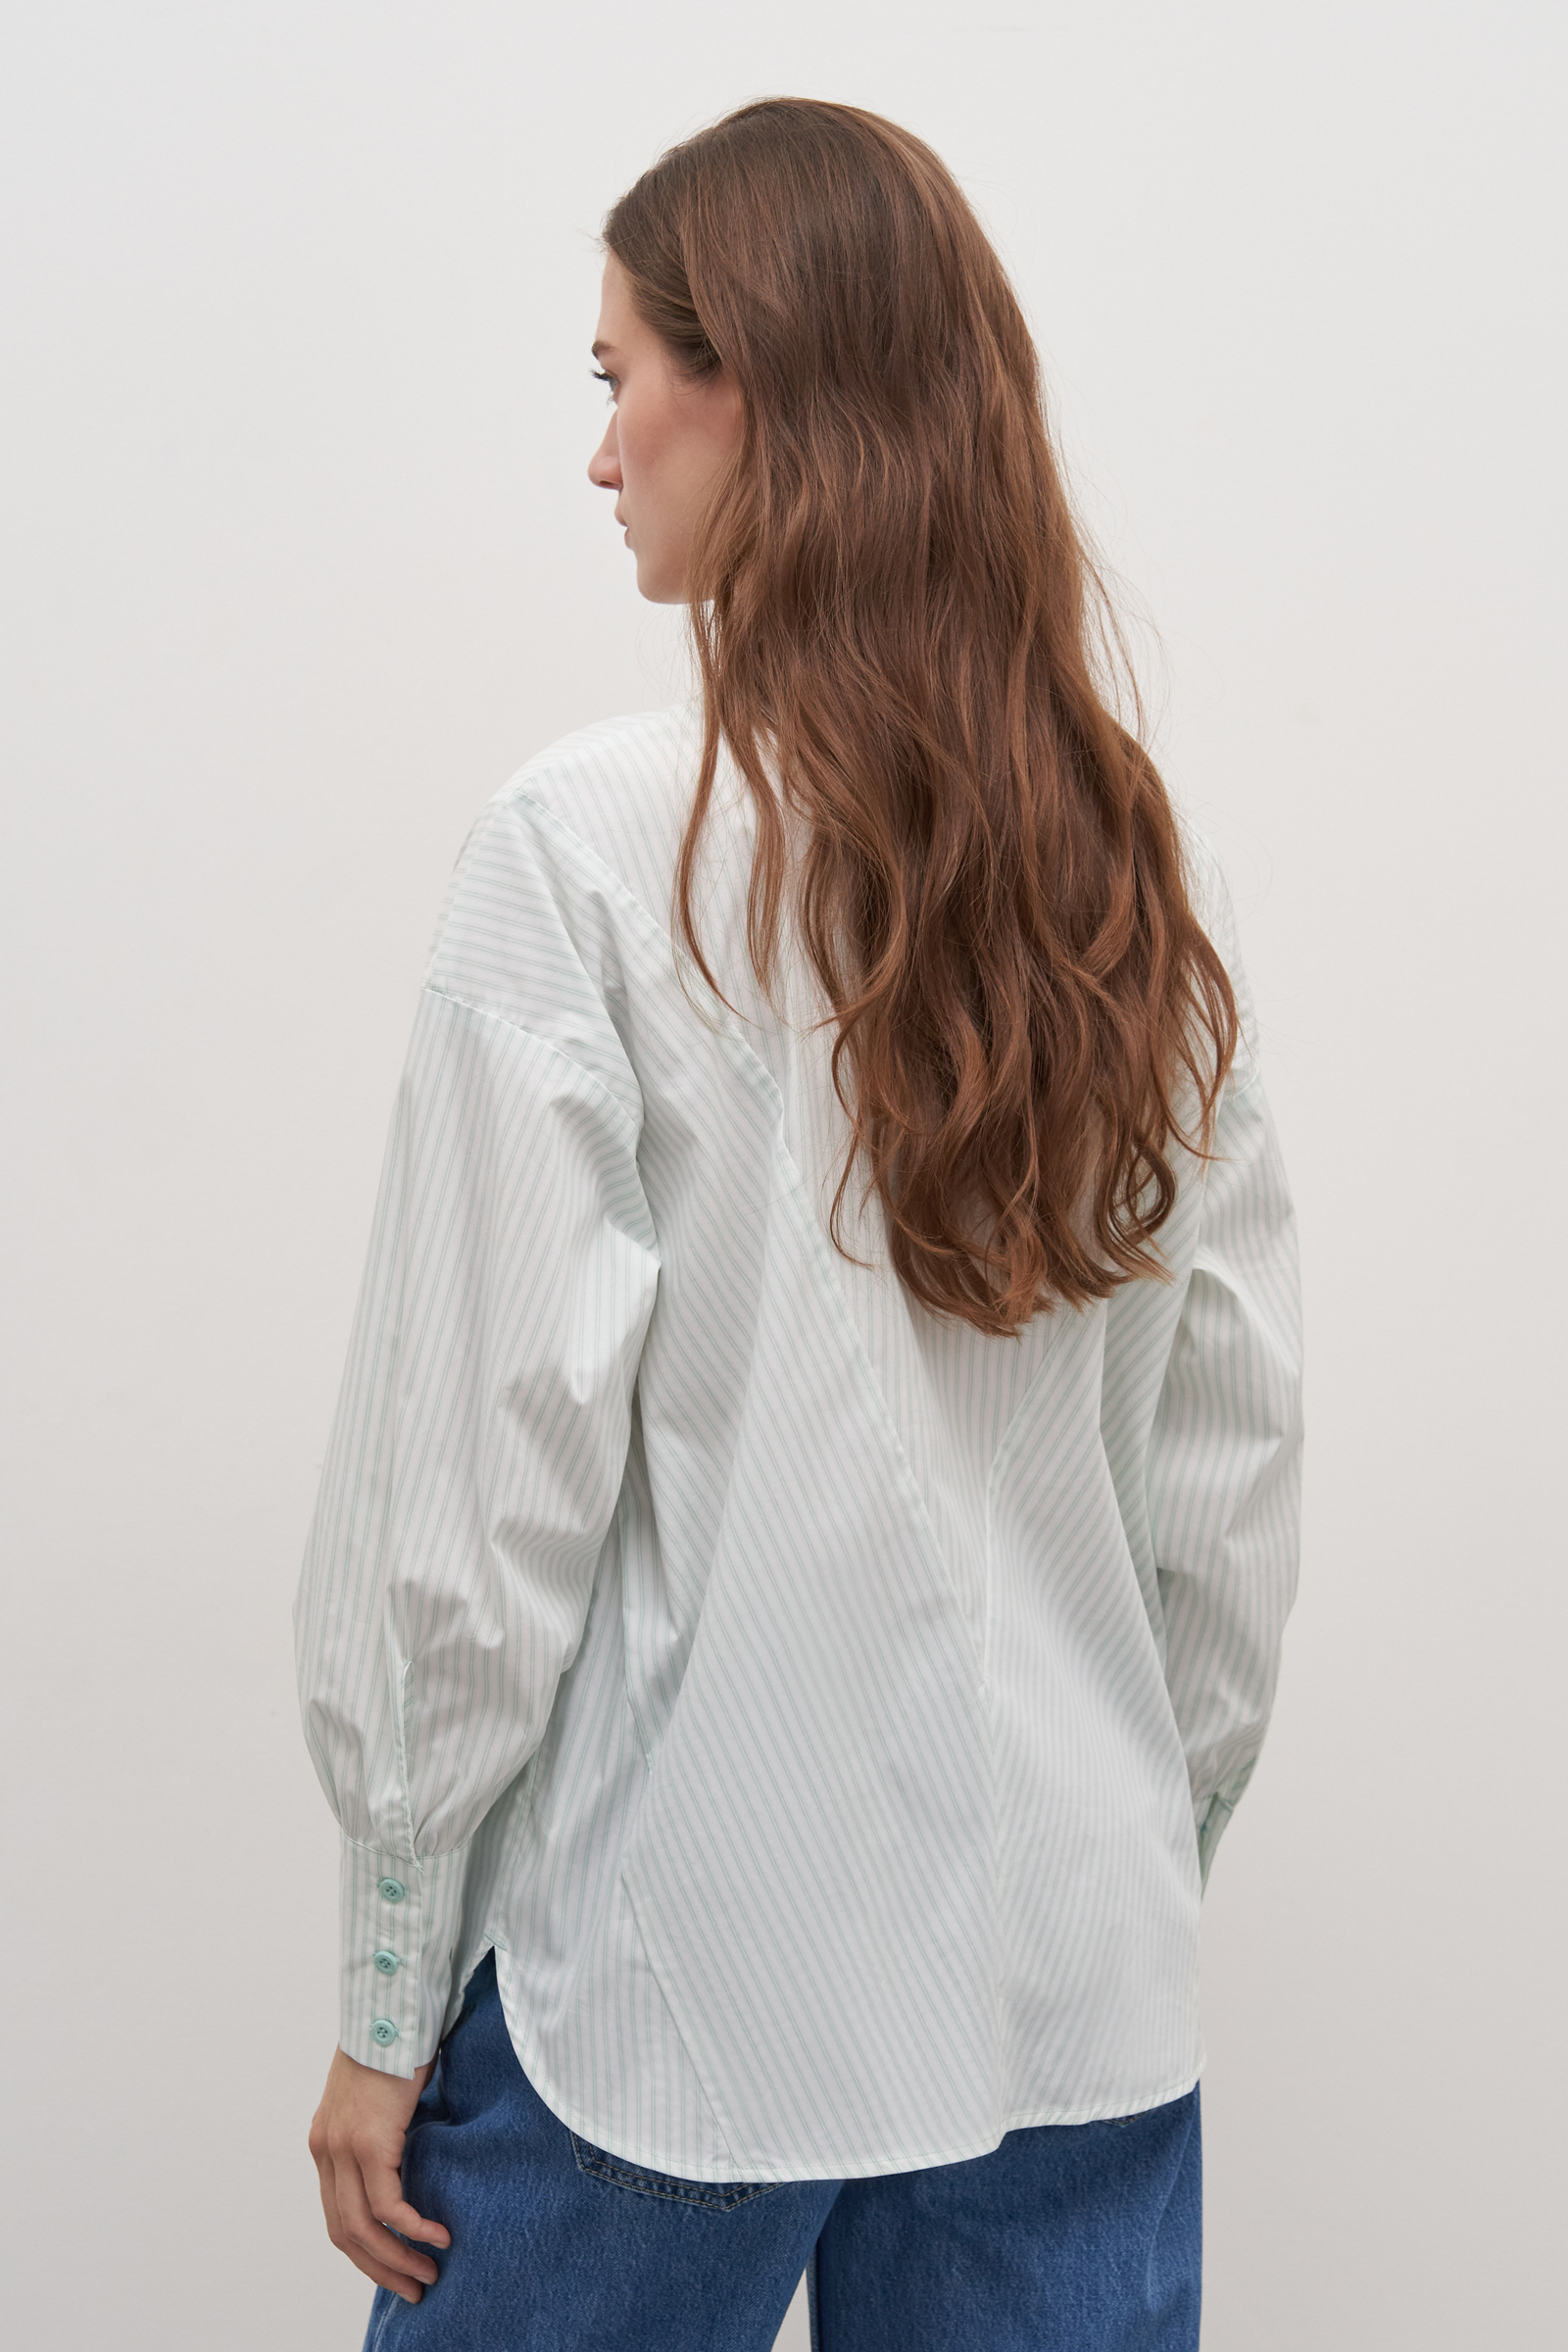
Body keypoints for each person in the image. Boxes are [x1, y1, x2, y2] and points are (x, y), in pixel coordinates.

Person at [296, 97, 1303, 2352]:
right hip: (1072, 2006)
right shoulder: (1135, 879)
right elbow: (1223, 1492)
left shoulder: (585, 853)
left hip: (674, 1993)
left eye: (619, 378)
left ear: (745, 380)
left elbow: (467, 1499)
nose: (600, 454)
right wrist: (1132, 1855)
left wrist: (384, 1976)